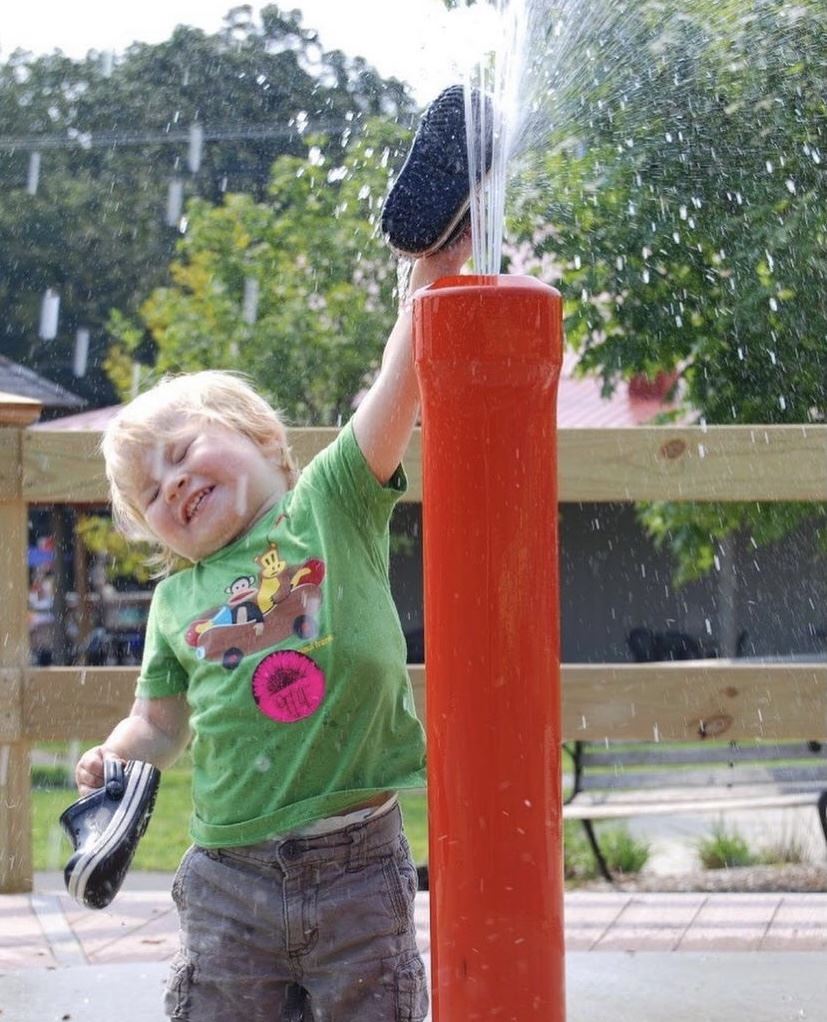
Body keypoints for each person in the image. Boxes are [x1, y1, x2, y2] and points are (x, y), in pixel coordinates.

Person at [74, 234, 470, 1021]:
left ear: (259, 436)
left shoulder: (331, 501)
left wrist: (433, 271)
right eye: (151, 494)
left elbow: (397, 381)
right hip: (229, 875)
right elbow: (159, 724)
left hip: (357, 864)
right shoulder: (175, 602)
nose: (172, 483)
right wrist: (115, 758)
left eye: (182, 452)